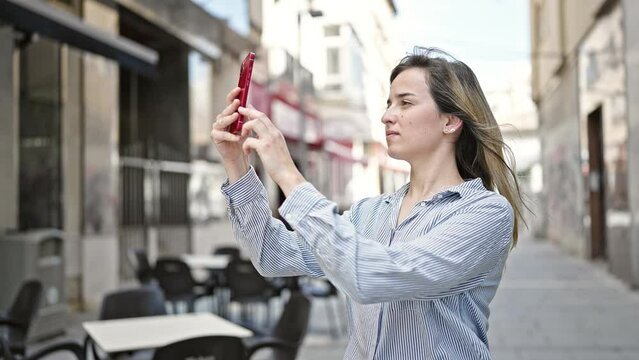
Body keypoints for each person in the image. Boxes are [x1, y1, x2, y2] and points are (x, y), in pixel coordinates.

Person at [211, 47, 527, 360]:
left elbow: (369, 277)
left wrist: (289, 177)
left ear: (450, 121)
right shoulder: (369, 212)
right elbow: (272, 255)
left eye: (405, 103)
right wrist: (236, 165)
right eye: (389, 103)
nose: (387, 115)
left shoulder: (484, 213)